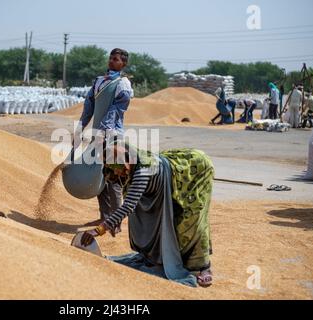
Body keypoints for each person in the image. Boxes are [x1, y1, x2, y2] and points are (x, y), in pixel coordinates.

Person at [81, 142, 214, 287]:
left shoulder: (143, 171)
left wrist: (99, 229)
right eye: (114, 169)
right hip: (166, 180)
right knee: (167, 223)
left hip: (192, 172)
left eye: (119, 168)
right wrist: (114, 220)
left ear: (126, 163)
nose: (117, 172)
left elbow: (129, 206)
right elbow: (116, 190)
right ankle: (166, 257)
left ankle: (203, 267)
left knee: (191, 221)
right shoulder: (120, 166)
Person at [78, 48, 133, 233]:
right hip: (98, 135)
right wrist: (80, 128)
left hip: (113, 136)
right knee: (99, 177)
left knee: (113, 181)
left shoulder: (123, 84)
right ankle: (104, 217)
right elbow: (89, 106)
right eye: (110, 58)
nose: (111, 61)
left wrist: (104, 131)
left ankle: (115, 223)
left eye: (116, 59)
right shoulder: (99, 81)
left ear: (123, 64)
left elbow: (116, 111)